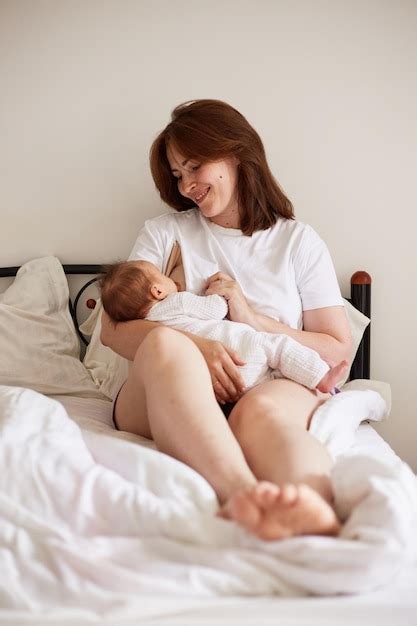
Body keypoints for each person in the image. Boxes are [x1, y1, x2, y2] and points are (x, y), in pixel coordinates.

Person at [101, 99, 352, 541]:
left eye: (194, 166)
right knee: (164, 343)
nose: (186, 185)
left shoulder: (297, 241)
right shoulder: (165, 232)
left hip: (266, 381)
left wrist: (251, 316)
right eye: (177, 175)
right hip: (165, 387)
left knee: (261, 412)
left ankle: (311, 511)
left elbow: (335, 347)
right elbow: (113, 330)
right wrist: (199, 348)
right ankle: (245, 497)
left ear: (235, 153)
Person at [100, 259, 348, 394]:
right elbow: (216, 310)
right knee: (279, 347)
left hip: (207, 384)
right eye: (163, 276)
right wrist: (219, 295)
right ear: (157, 290)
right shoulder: (179, 301)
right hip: (238, 353)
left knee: (270, 370)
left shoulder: (147, 321)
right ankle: (321, 378)